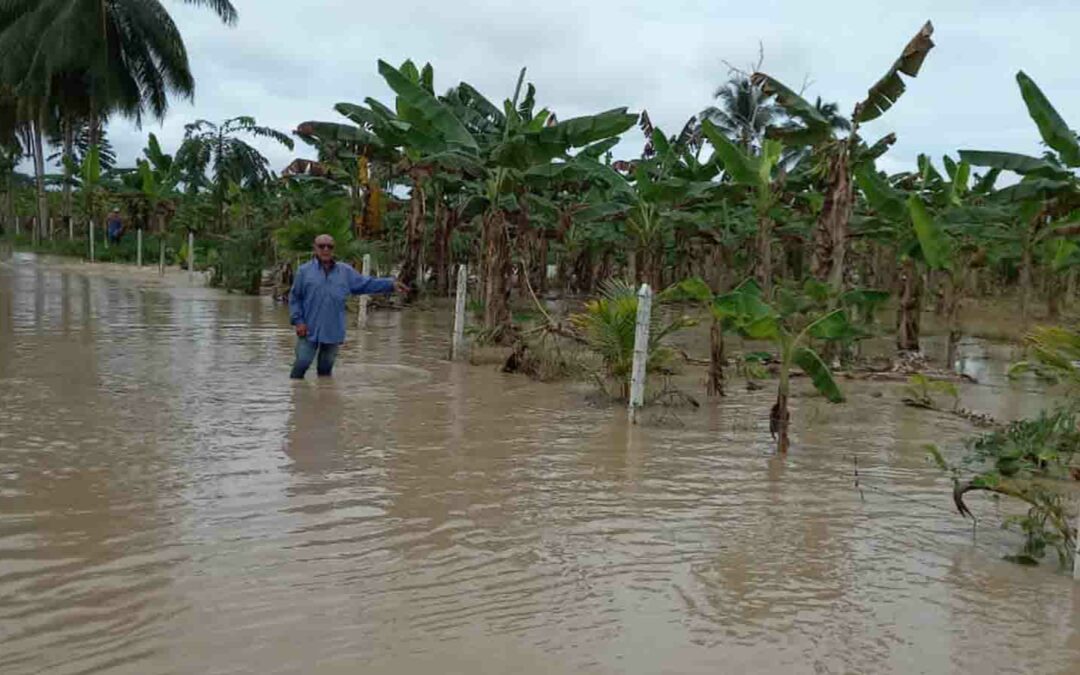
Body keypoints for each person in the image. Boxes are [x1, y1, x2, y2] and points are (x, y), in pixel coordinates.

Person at [288, 234, 408, 379]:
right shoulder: (304, 271)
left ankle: (324, 393)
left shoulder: (345, 271)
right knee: (302, 364)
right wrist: (298, 321)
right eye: (321, 246)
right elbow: (295, 297)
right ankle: (296, 392)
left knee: (325, 371)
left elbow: (365, 283)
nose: (326, 249)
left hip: (333, 329)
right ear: (315, 248)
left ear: (333, 249)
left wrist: (390, 284)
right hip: (308, 328)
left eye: (329, 246)